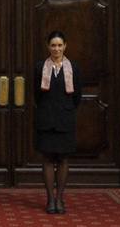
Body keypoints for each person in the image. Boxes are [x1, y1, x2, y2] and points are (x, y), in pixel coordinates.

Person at [33, 30, 83, 214]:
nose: (56, 48)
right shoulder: (40, 67)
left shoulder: (74, 68)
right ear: (48, 47)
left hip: (65, 119)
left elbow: (77, 96)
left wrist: (65, 110)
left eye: (60, 45)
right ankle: (50, 199)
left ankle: (60, 198)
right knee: (47, 159)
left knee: (62, 159)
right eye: (53, 45)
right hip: (46, 119)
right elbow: (36, 95)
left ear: (65, 46)